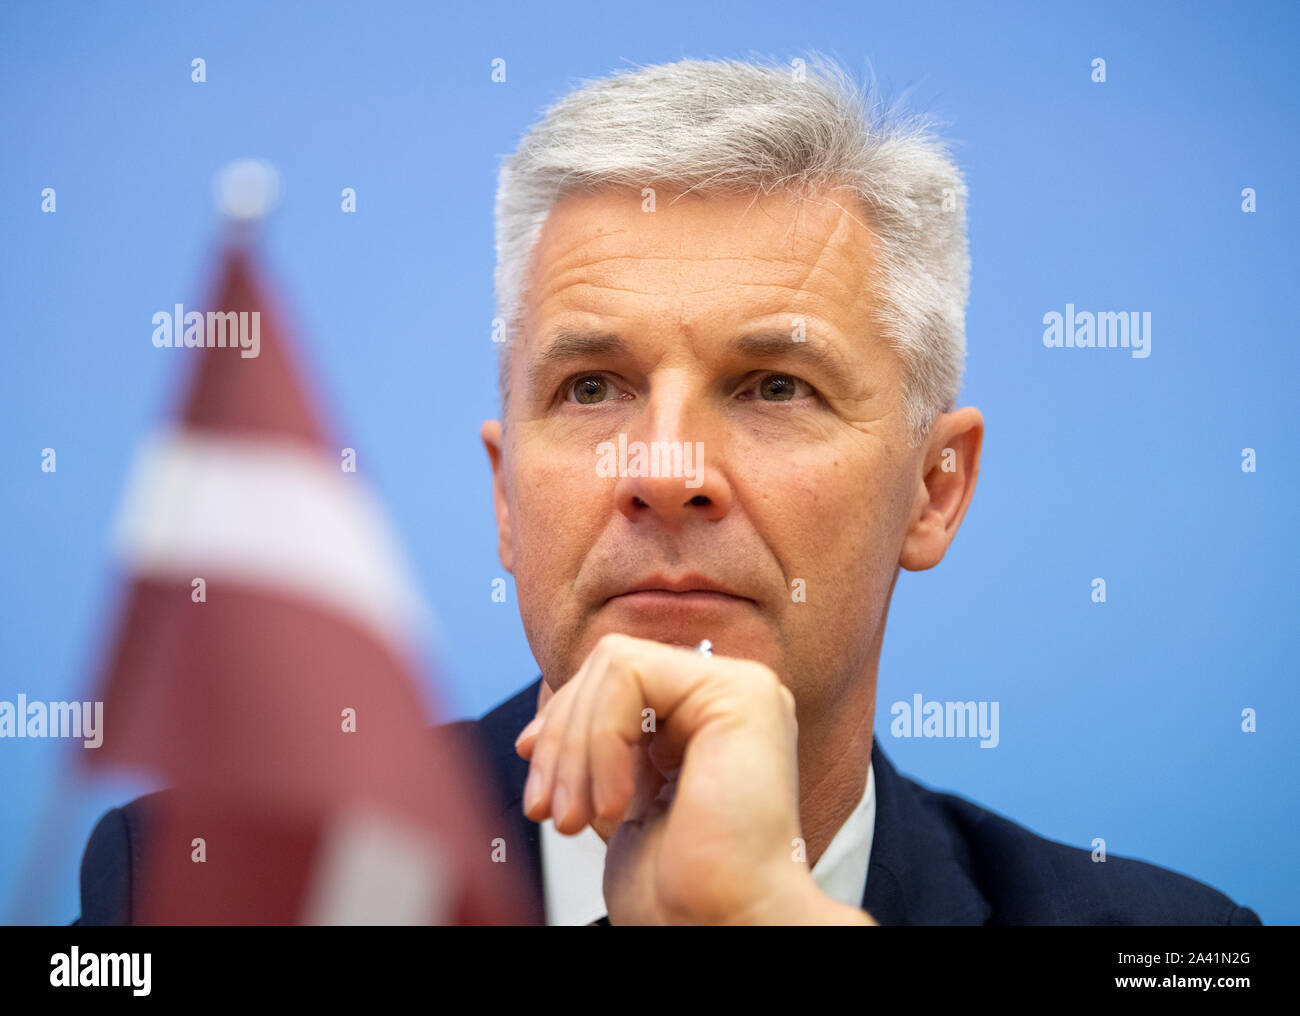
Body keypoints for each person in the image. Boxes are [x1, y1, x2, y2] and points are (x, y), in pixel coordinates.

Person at [76, 55, 1262, 926]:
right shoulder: (210, 884)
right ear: (504, 496)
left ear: (933, 490)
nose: (664, 470)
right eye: (592, 388)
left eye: (774, 385)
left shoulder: (1171, 940)